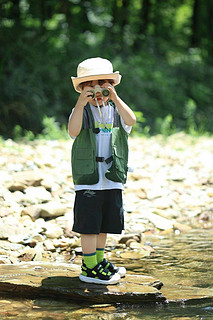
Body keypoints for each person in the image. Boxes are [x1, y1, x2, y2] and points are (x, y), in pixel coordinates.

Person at [68, 57, 136, 285]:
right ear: (82, 89)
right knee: (89, 224)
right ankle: (88, 266)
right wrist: (80, 104)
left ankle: (98, 260)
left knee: (105, 223)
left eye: (102, 85)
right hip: (89, 180)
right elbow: (73, 131)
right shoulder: (82, 111)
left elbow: (131, 120)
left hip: (111, 178)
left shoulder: (114, 110)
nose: (97, 90)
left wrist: (115, 98)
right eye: (90, 85)